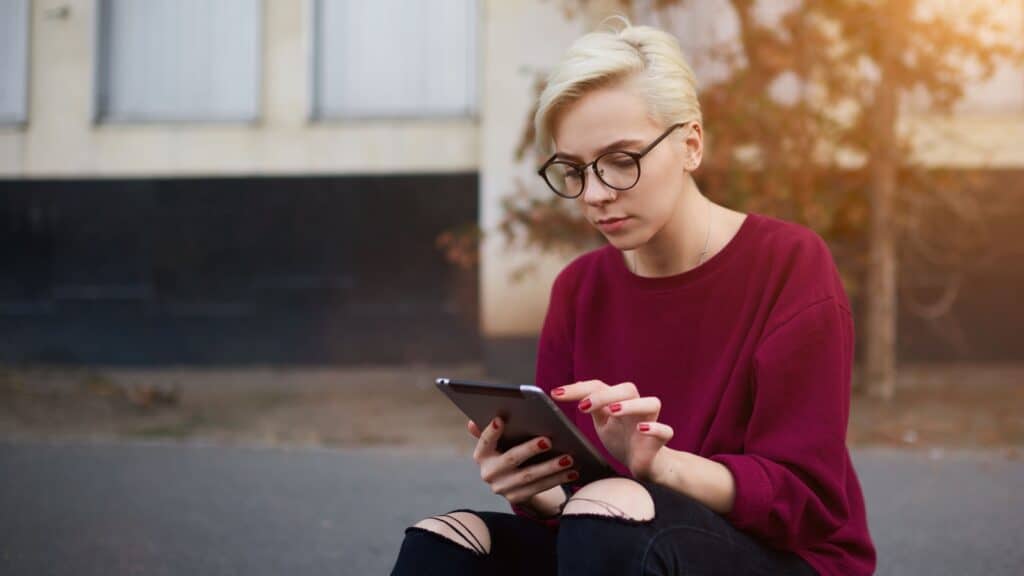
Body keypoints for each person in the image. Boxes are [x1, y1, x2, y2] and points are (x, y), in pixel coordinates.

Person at [391, 15, 876, 576]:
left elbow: (805, 502)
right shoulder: (579, 289)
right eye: (572, 170)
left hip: (783, 557)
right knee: (446, 540)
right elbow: (574, 509)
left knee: (612, 516)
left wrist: (660, 466)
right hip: (611, 540)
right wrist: (531, 488)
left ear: (691, 144)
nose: (594, 194)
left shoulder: (789, 264)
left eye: (622, 161)